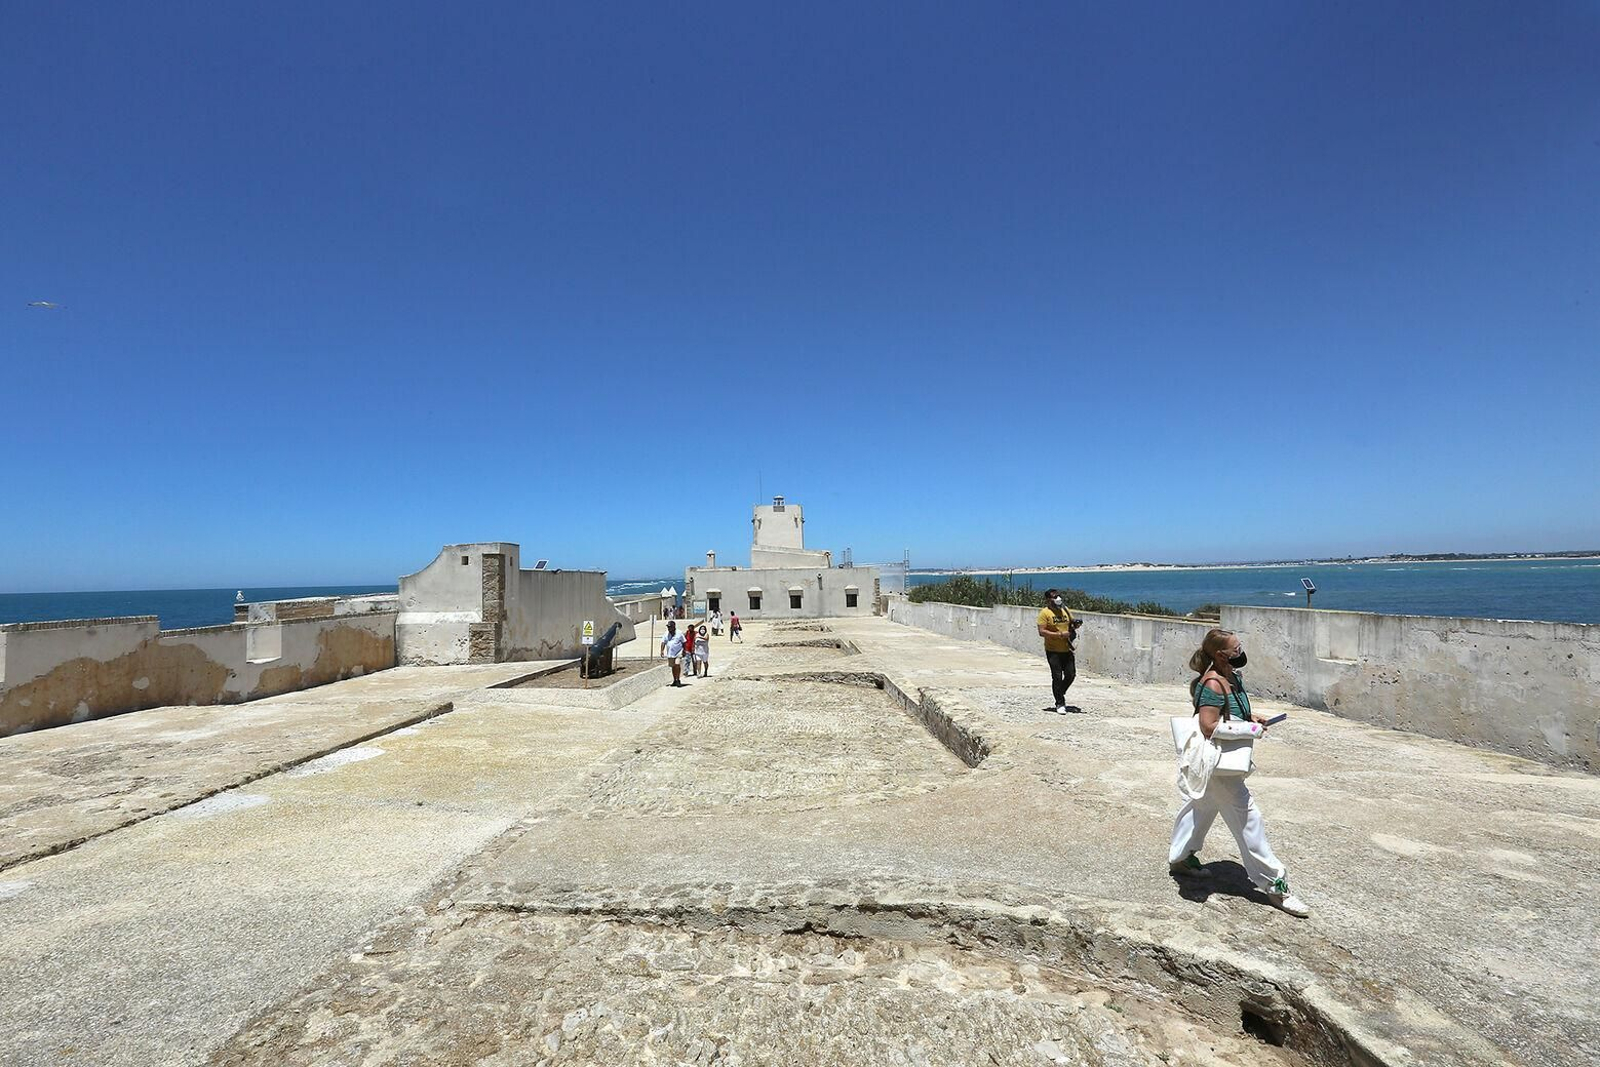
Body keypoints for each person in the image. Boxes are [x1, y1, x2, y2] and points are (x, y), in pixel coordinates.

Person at [1168, 628, 1309, 918]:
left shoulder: (1233, 677)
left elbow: (1231, 712)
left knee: (1200, 807)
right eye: (1235, 648)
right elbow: (1208, 725)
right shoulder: (1213, 683)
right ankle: (1275, 885)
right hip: (1221, 770)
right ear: (1220, 654)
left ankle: (1180, 858)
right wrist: (1249, 729)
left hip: (1219, 769)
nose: (1240, 651)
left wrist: (1250, 716)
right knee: (1250, 822)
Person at [1036, 589, 1082, 714]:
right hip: (1053, 650)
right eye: (1054, 597)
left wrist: (1075, 625)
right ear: (1048, 599)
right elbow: (1042, 631)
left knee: (1070, 674)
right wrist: (1060, 635)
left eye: (1059, 596)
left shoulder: (1065, 610)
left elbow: (1070, 623)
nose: (1058, 598)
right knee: (1057, 676)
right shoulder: (1044, 613)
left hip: (1067, 649)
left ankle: (1059, 692)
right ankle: (1060, 703)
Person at [660, 620, 687, 687]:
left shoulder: (679, 633)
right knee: (673, 666)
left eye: (670, 627)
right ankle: (674, 680)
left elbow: (684, 642)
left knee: (677, 664)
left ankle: (678, 679)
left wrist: (684, 650)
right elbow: (663, 642)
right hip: (670, 653)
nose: (669, 628)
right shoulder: (666, 633)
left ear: (674, 627)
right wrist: (662, 651)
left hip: (678, 652)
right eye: (668, 627)